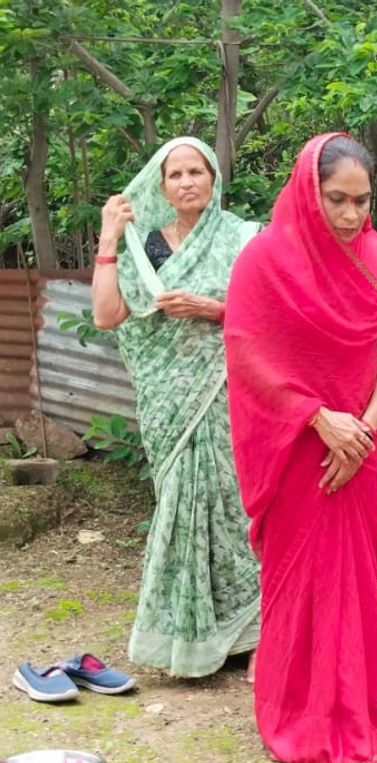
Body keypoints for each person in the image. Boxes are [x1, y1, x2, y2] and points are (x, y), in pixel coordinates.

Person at [223, 133, 377, 763]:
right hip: (294, 448)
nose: (350, 214)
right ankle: (296, 717)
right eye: (337, 199)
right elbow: (246, 352)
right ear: (310, 190)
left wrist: (360, 429)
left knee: (355, 578)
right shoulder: (264, 260)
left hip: (358, 446)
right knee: (296, 580)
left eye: (362, 201)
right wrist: (315, 418)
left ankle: (363, 713)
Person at [91, 137, 260, 678]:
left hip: (227, 395)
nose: (186, 181)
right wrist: (109, 237)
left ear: (213, 178)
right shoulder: (143, 246)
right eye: (175, 174)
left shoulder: (242, 239)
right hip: (168, 403)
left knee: (232, 510)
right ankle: (190, 639)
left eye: (196, 171)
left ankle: (249, 633)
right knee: (180, 507)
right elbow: (106, 315)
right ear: (161, 186)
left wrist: (211, 309)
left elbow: (271, 315)